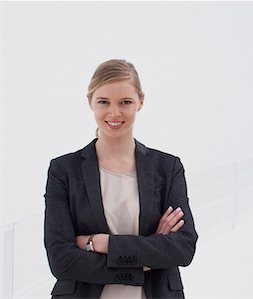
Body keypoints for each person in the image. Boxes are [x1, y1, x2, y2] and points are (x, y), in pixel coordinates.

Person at [44, 59, 198, 299]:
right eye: (103, 102)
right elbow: (61, 260)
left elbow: (183, 247)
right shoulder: (64, 170)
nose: (114, 112)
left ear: (141, 102)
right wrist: (146, 257)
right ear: (90, 102)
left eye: (125, 102)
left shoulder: (167, 168)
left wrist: (102, 244)